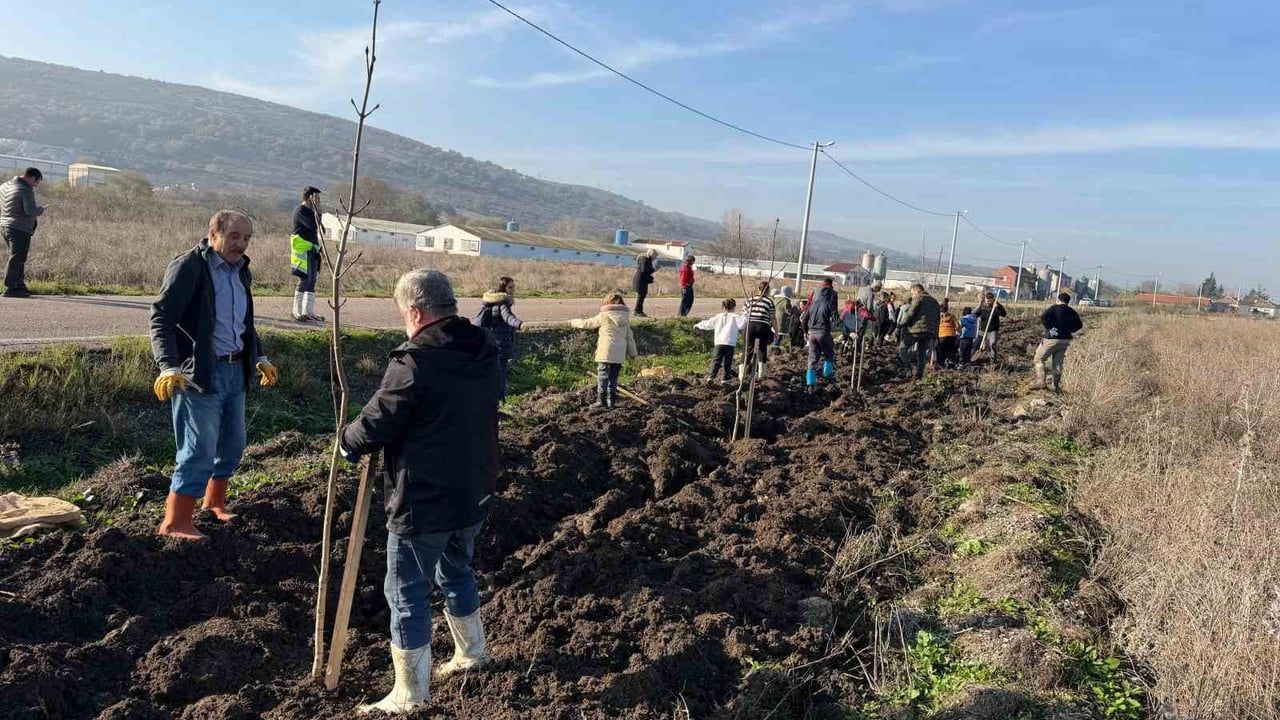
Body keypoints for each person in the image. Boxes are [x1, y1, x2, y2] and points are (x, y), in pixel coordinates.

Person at [339, 269, 500, 713]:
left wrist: (347, 442)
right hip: (474, 486)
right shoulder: (484, 347)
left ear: (414, 310)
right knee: (457, 569)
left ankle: (409, 694)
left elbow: (377, 422)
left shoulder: (415, 361)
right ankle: (471, 653)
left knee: (405, 589)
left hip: (425, 496)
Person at [150, 210, 279, 540]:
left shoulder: (241, 271)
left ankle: (213, 504)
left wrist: (258, 356)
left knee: (232, 444)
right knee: (197, 449)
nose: (241, 244)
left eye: (247, 238)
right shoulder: (190, 266)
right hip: (199, 374)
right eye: (234, 236)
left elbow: (244, 323)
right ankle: (175, 522)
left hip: (237, 370)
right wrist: (169, 366)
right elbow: (161, 319)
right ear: (213, 234)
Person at [571, 291, 638, 408]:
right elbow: (629, 338)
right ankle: (611, 401)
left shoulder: (604, 315)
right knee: (613, 377)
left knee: (602, 375)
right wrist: (633, 354)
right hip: (619, 353)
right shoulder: (625, 319)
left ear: (607, 303)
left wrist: (572, 322)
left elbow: (588, 323)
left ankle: (601, 401)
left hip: (606, 351)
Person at [473, 276, 524, 400]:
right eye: (510, 287)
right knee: (500, 377)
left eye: (514, 287)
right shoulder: (502, 305)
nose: (513, 290)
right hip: (500, 347)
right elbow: (508, 317)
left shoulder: (492, 303)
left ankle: (488, 401)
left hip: (490, 346)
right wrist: (520, 324)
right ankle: (499, 402)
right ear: (503, 288)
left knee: (491, 376)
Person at [0, 167, 46, 298]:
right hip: (19, 227)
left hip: (5, 225)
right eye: (36, 182)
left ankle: (19, 286)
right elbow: (30, 211)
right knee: (17, 258)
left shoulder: (4, 186)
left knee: (18, 257)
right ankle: (10, 287)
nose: (35, 186)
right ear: (32, 178)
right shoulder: (25, 189)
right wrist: (40, 210)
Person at [1033, 292, 1084, 392]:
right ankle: (1055, 386)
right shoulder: (1072, 311)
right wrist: (1071, 331)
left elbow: (1043, 317)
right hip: (1065, 340)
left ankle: (1040, 382)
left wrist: (1050, 328)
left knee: (1039, 359)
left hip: (1052, 339)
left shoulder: (1054, 308)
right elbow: (1079, 325)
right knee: (1057, 364)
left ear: (1058, 300)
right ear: (1068, 301)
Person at [289, 186, 325, 322]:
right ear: (310, 197)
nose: (319, 201)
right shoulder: (301, 211)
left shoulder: (312, 211)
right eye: (317, 198)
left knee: (312, 281)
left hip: (312, 249)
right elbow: (313, 225)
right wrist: (316, 209)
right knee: (304, 279)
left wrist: (320, 249)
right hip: (302, 250)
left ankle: (308, 312)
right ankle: (296, 311)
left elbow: (315, 233)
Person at [695, 298, 746, 384]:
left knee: (716, 360)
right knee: (728, 361)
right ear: (734, 307)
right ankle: (726, 379)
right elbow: (742, 325)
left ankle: (711, 377)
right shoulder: (735, 317)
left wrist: (698, 325)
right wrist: (745, 314)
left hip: (718, 342)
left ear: (723, 307)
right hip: (729, 343)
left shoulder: (718, 316)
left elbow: (708, 324)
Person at [800, 279, 839, 388]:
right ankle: (827, 376)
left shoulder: (813, 304)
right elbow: (835, 316)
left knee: (812, 357)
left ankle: (810, 383)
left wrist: (805, 332)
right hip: (824, 332)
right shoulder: (831, 299)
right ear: (831, 286)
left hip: (812, 333)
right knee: (829, 354)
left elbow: (803, 319)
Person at [899, 284, 940, 380]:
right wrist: (935, 335)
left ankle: (907, 369)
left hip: (916, 330)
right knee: (921, 353)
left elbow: (910, 314)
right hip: (929, 332)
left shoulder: (919, 298)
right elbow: (938, 320)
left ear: (917, 291)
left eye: (912, 293)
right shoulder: (935, 302)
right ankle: (919, 374)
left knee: (903, 347)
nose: (912, 296)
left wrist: (900, 325)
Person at [743, 281, 776, 369]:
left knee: (748, 348)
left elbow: (744, 315)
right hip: (763, 326)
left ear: (758, 289)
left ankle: (742, 372)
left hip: (751, 325)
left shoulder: (749, 300)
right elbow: (773, 317)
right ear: (768, 290)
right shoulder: (769, 301)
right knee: (762, 348)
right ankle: (761, 372)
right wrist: (776, 330)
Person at [974, 292, 1008, 364]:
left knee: (992, 345)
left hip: (993, 330)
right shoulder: (982, 306)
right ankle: (971, 357)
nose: (988, 302)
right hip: (982, 329)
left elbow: (1004, 314)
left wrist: (997, 307)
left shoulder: (996, 306)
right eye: (987, 300)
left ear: (993, 300)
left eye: (990, 301)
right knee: (977, 343)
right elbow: (975, 314)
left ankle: (993, 361)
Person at [632, 249, 657, 317]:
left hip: (642, 280)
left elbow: (646, 270)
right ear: (651, 255)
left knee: (642, 295)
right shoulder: (645, 260)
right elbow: (644, 270)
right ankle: (637, 311)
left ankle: (638, 310)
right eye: (654, 257)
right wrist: (653, 271)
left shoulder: (645, 259)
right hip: (640, 280)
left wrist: (653, 270)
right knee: (641, 295)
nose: (654, 259)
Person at [936, 299, 959, 368]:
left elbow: (935, 326)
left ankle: (941, 364)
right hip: (952, 336)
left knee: (941, 351)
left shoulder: (938, 317)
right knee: (951, 351)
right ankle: (950, 363)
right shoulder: (952, 316)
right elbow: (957, 326)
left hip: (942, 336)